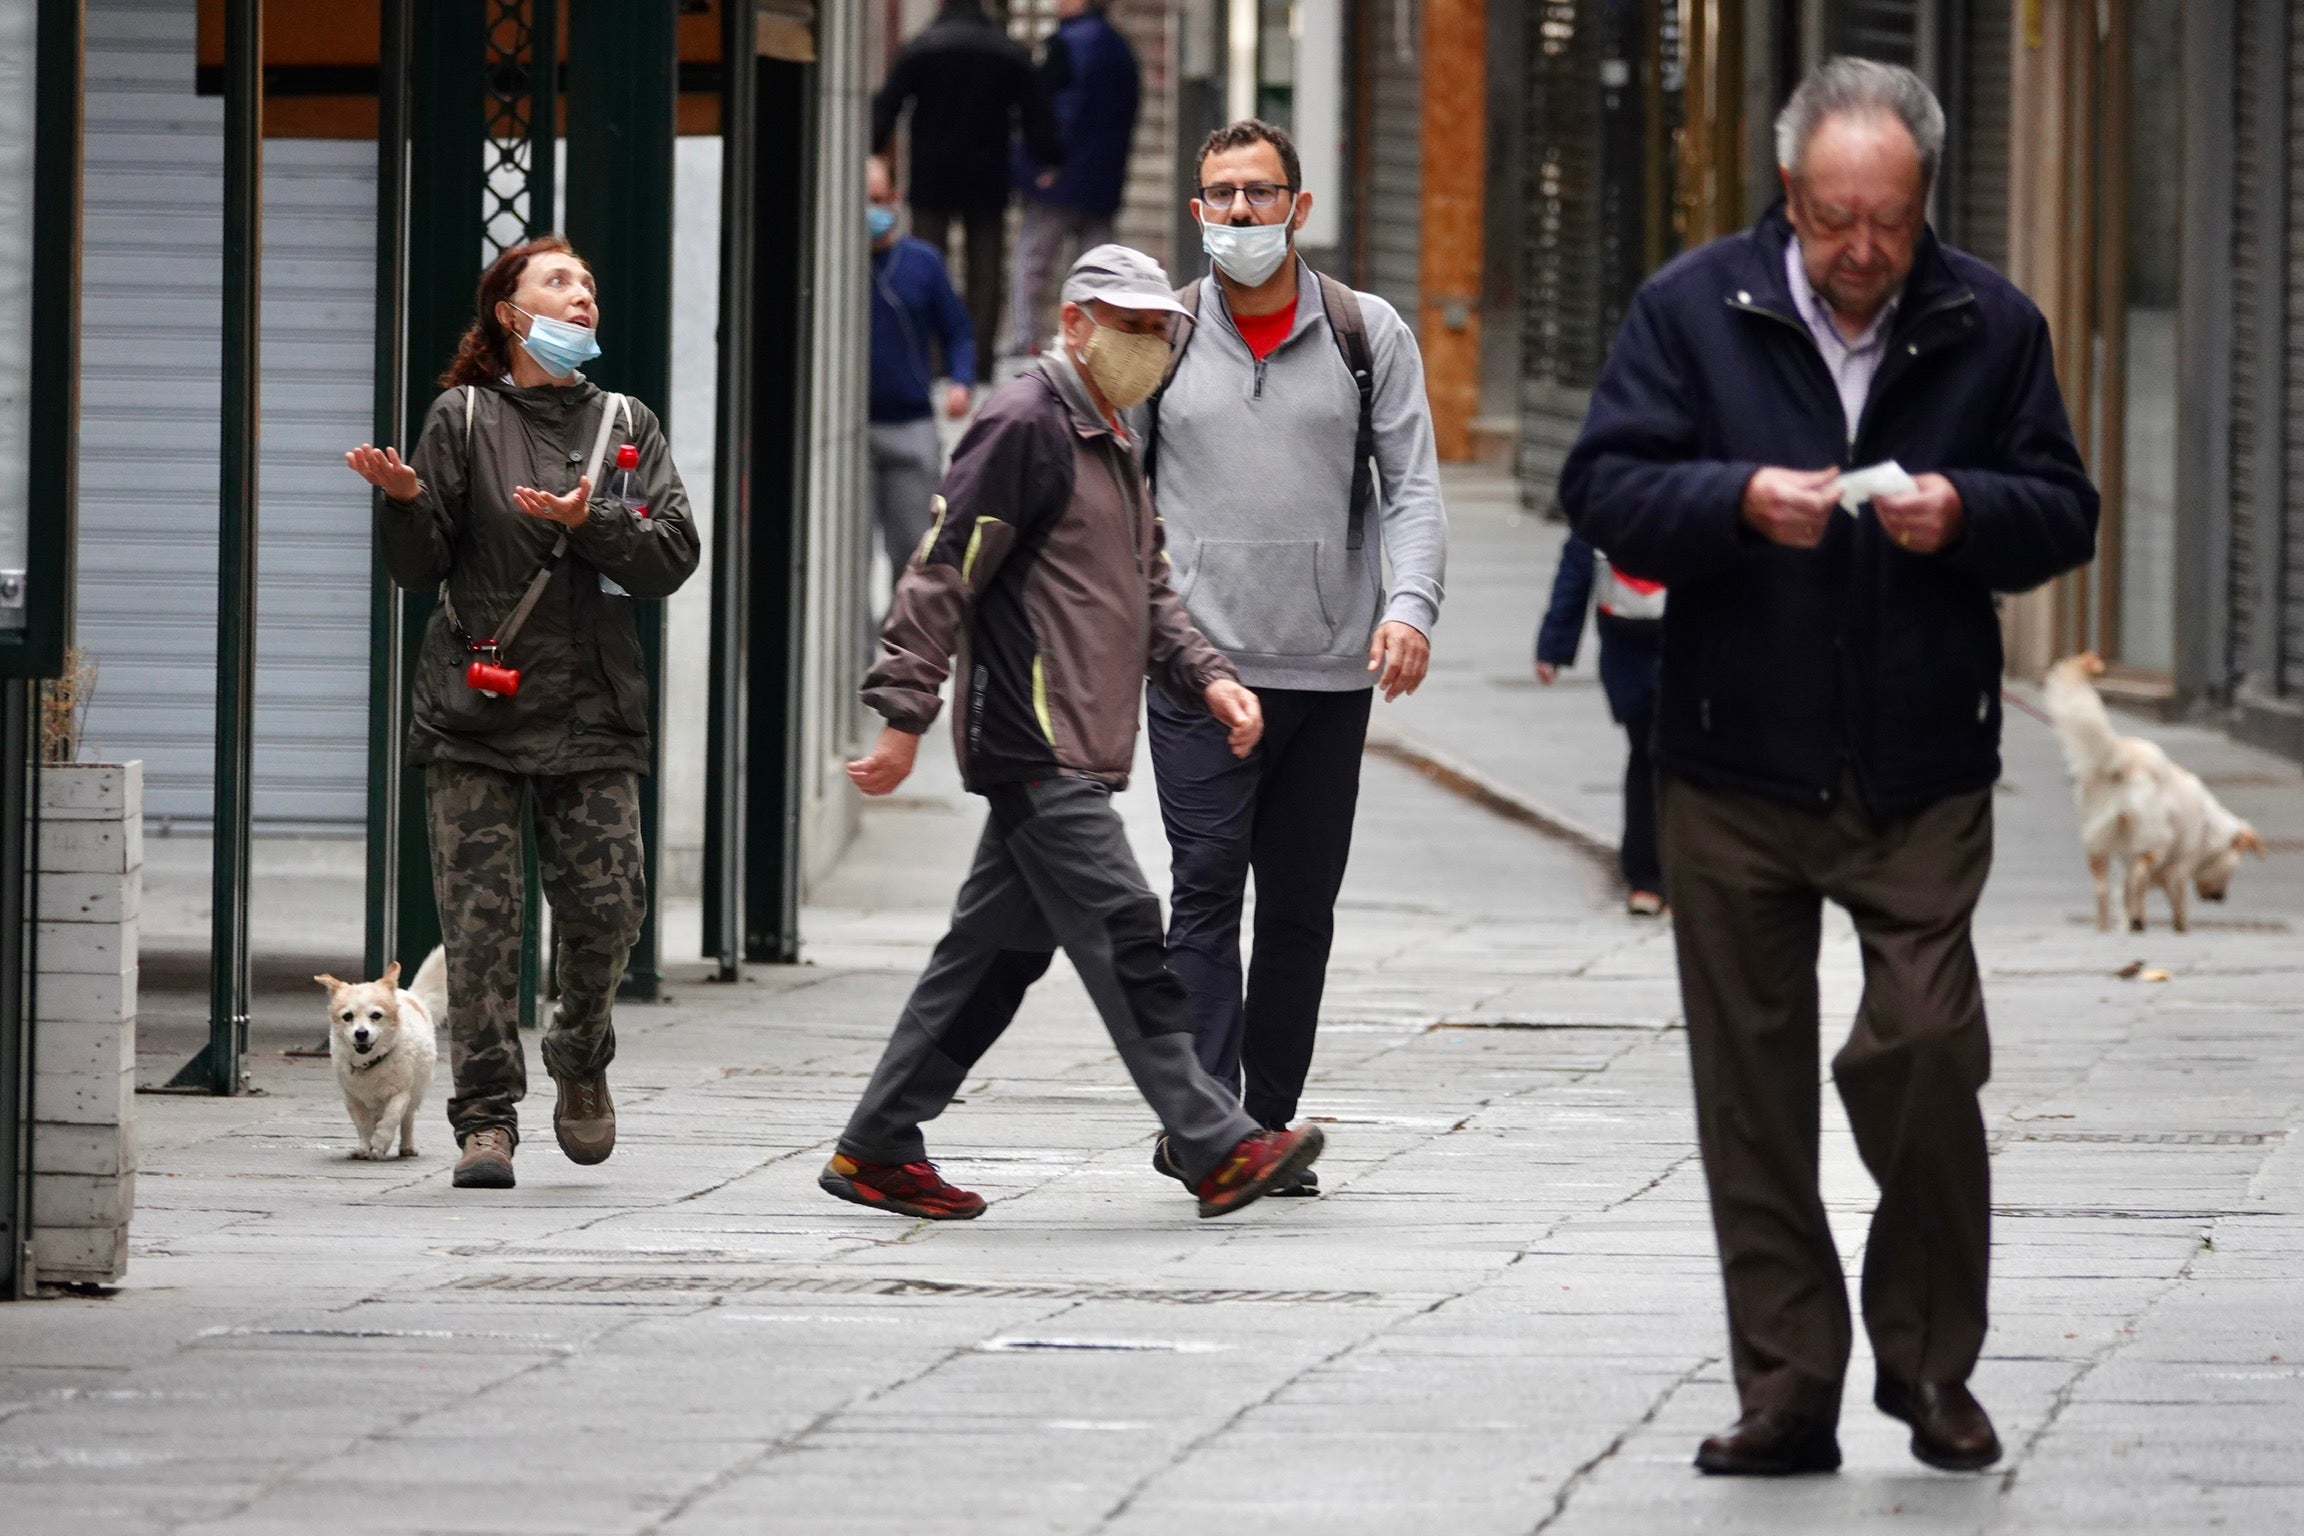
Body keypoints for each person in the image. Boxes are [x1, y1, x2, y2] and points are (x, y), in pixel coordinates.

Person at [1559, 59, 2097, 1476]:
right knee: (1750, 1091)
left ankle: (1930, 1371)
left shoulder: (1992, 322)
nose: (1863, 253)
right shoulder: (1690, 310)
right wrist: (1738, 501)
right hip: (1732, 761)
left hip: (1920, 766)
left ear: (1926, 205)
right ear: (1788, 195)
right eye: (1835, 221)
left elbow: (2062, 511)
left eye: (1891, 224)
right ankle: (1789, 1386)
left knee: (1922, 1048)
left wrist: (1965, 513)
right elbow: (1603, 486)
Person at [823, 245, 1324, 1223]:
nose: (1146, 343)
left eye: (1158, 330)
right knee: (1130, 927)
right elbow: (940, 570)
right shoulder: (1022, 423)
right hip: (1033, 741)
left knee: (996, 957)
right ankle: (1216, 1141)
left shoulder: (1113, 437)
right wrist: (902, 716)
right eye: (1128, 325)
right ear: (1073, 323)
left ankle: (878, 1145)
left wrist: (1213, 679)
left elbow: (1150, 592)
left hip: (1076, 746)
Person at [345, 235, 700, 1191]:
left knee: (607, 911)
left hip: (593, 711)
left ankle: (581, 1056)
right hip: (477, 714)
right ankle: (486, 1120)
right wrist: (405, 503)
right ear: (511, 311)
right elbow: (419, 568)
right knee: (482, 927)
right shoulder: (461, 418)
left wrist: (596, 520)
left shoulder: (629, 422)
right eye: (559, 281)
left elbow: (672, 558)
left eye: (588, 282)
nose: (581, 295)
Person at [1136, 119, 1446, 1193]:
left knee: (1301, 907)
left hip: (1326, 669)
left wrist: (1409, 607)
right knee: (1208, 887)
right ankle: (1210, 1125)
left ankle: (1263, 1122)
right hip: (1200, 671)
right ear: (1196, 211)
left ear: (1299, 208)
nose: (1239, 214)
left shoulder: (1370, 333)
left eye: (1260, 194)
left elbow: (1411, 487)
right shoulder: (1158, 335)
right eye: (1220, 195)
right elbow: (1113, 499)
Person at [872, 0, 1063, 369]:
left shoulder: (921, 47)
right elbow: (1037, 111)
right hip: (987, 173)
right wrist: (1049, 156)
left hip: (931, 173)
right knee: (986, 270)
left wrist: (873, 150)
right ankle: (978, 357)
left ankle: (928, 354)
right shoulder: (1006, 51)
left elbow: (888, 104)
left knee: (927, 264)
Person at [1535, 533, 1666, 915]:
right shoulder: (1609, 487)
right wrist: (1553, 647)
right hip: (1636, 649)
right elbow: (1577, 567)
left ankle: (1658, 878)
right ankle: (1649, 876)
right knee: (1651, 752)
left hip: (1671, 644)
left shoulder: (1697, 478)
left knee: (1662, 755)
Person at [1010, 0, 1140, 355]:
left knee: (1035, 263)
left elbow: (1051, 112)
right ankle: (1098, 341)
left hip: (1060, 178)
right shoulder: (1120, 48)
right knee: (1100, 268)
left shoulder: (1065, 45)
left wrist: (1043, 164)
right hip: (1103, 181)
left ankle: (1029, 340)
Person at [868, 155, 975, 585]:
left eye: (877, 198)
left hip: (911, 425)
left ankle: (902, 648)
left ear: (894, 199)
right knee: (844, 557)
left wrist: (961, 382)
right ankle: (853, 649)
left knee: (915, 550)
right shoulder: (831, 262)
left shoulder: (923, 263)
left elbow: (958, 331)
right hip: (850, 429)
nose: (870, 209)